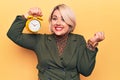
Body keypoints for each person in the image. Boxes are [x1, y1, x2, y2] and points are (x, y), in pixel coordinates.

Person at [7, 4, 105, 80]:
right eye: (54, 18)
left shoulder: (78, 40)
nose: (58, 23)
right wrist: (27, 15)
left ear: (70, 22)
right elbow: (13, 34)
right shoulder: (40, 40)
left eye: (63, 19)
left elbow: (85, 71)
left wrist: (91, 45)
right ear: (51, 22)